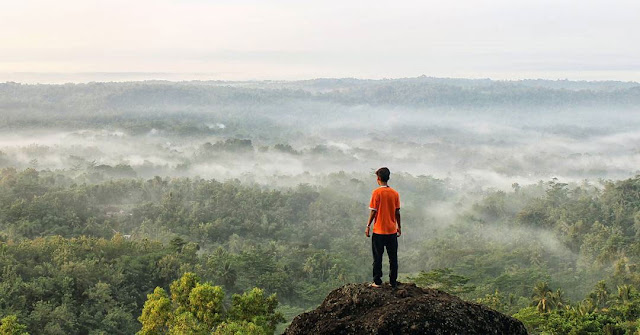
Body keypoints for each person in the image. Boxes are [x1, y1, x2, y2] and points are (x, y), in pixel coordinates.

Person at [365, 167, 401, 288]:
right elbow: (397, 212)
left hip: (379, 231)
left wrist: (368, 225)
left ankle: (377, 281)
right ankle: (393, 282)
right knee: (393, 258)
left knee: (377, 258)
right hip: (391, 231)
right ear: (388, 177)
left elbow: (373, 212)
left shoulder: (376, 193)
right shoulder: (395, 193)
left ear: (378, 178)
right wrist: (399, 227)